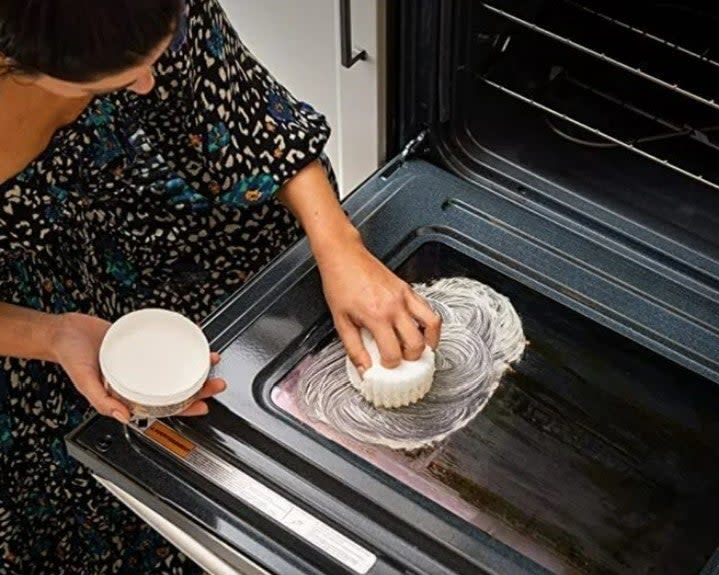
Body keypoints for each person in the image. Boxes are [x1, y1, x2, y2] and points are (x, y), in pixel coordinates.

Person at [0, 0, 441, 572]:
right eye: (110, 81)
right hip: (24, 307)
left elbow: (251, 117)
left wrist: (340, 245)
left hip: (152, 224)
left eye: (160, 53)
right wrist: (51, 336)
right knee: (109, 491)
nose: (147, 84)